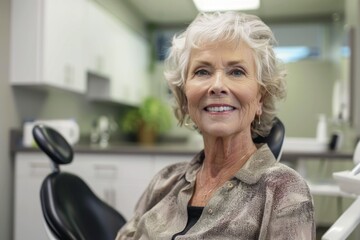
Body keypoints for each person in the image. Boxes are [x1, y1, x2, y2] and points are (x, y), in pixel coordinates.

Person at [116, 11, 315, 239]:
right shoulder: (165, 181)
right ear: (185, 97)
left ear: (260, 97)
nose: (217, 86)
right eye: (202, 71)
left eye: (237, 72)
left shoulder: (283, 190)